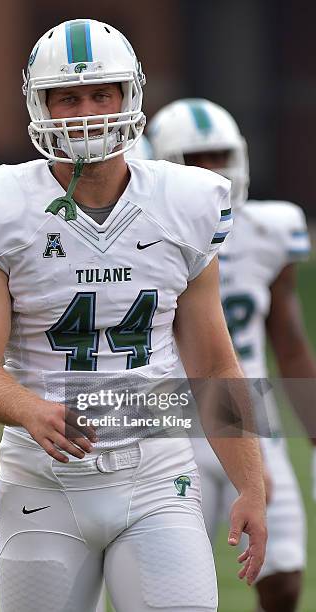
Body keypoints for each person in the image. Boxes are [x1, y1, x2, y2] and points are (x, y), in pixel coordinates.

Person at [0, 20, 266, 612]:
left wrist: (251, 485)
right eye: (67, 97)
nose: (86, 112)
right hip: (43, 483)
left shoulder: (185, 204)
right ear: (40, 106)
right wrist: (29, 409)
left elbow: (215, 363)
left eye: (101, 93)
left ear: (131, 96)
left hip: (157, 476)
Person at [149, 98, 316, 612]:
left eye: (221, 155)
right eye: (195, 158)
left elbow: (287, 339)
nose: (212, 171)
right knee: (165, 591)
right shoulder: (138, 235)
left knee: (285, 576)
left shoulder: (272, 228)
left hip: (252, 416)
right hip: (171, 421)